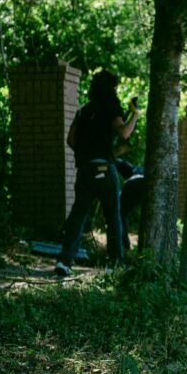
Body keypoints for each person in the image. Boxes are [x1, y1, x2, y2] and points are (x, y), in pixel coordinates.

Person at [55, 71, 139, 276]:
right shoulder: (112, 108)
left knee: (78, 214)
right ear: (112, 87)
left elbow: (71, 140)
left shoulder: (84, 110)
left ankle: (64, 262)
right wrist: (135, 114)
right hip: (104, 169)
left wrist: (87, 155)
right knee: (113, 214)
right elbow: (124, 132)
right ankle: (115, 263)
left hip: (84, 169)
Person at [113, 157, 145, 254]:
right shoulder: (141, 170)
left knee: (121, 214)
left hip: (131, 185)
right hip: (145, 185)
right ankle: (143, 248)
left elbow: (118, 161)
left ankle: (124, 245)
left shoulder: (132, 170)